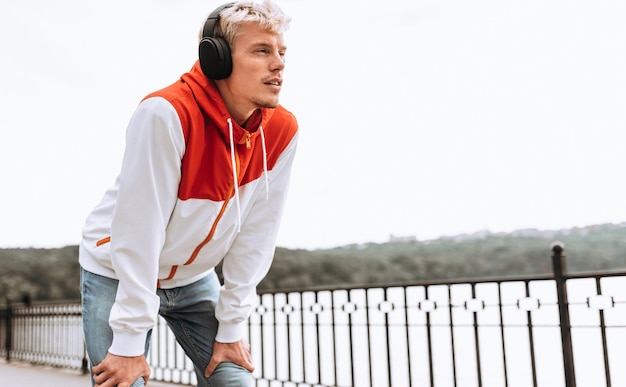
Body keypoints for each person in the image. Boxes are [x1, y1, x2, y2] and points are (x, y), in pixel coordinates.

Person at [78, 1, 297, 386]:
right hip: (117, 271)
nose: (278, 64)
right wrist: (128, 339)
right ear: (217, 59)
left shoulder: (281, 131)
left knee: (236, 382)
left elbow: (258, 234)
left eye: (281, 52)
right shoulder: (165, 113)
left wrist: (231, 328)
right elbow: (140, 231)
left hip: (194, 279)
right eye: (262, 51)